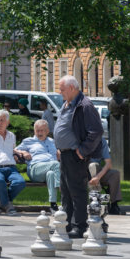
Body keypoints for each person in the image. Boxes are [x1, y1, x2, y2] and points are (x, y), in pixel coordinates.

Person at [54, 75, 104, 238]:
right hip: (65, 154)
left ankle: (79, 225)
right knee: (66, 191)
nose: (60, 92)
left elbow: (96, 131)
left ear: (72, 88)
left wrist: (82, 151)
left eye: (62, 89)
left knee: (77, 191)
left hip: (75, 155)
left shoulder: (85, 106)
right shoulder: (68, 103)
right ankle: (66, 223)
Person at [15, 120, 60, 213]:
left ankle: (53, 205)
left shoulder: (52, 142)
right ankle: (62, 188)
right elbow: (14, 150)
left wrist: (59, 152)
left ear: (47, 131)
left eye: (42, 130)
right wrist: (23, 152)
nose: (39, 133)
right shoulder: (28, 141)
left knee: (51, 174)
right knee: (56, 164)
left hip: (50, 169)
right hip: (35, 169)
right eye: (37, 130)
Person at [88, 137, 124, 215]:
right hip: (82, 172)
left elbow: (108, 164)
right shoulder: (81, 138)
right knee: (93, 165)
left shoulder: (101, 141)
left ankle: (114, 205)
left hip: (97, 172)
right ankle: (95, 200)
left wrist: (98, 177)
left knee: (115, 173)